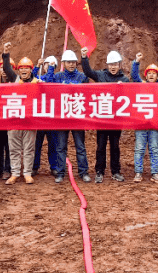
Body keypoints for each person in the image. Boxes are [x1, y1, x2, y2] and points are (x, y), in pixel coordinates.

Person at [81, 48, 129, 183]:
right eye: (111, 64)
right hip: (102, 118)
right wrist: (84, 57)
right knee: (100, 146)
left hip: (116, 120)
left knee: (115, 146)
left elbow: (129, 95)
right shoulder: (101, 75)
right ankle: (99, 172)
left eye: (115, 64)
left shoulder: (124, 79)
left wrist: (123, 87)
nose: (113, 67)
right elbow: (88, 72)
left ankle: (116, 171)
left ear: (119, 65)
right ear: (107, 65)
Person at [41, 49, 89, 184]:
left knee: (80, 146)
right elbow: (48, 84)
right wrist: (50, 68)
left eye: (74, 62)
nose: (72, 64)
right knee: (61, 147)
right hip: (61, 118)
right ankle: (60, 173)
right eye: (69, 62)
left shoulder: (82, 78)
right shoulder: (58, 77)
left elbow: (89, 94)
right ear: (63, 63)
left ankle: (83, 172)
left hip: (77, 118)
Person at [2, 43, 39, 185]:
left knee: (29, 149)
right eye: (21, 68)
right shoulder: (15, 79)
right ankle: (15, 173)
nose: (24, 70)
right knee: (14, 149)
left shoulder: (37, 82)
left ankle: (27, 173)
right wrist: (6, 53)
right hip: (14, 120)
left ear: (31, 70)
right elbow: (6, 68)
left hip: (29, 121)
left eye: (27, 68)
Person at [130, 55, 158, 184]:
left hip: (154, 124)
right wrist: (136, 62)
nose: (151, 75)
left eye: (154, 73)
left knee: (154, 148)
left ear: (157, 76)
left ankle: (154, 173)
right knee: (139, 148)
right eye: (149, 73)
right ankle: (138, 172)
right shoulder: (141, 85)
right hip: (141, 123)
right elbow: (134, 76)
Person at [31, 55, 60, 177]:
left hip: (51, 117)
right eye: (47, 64)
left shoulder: (55, 78)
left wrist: (51, 69)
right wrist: (37, 66)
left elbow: (49, 82)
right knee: (37, 144)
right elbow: (31, 78)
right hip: (39, 116)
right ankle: (34, 167)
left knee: (52, 144)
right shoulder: (39, 78)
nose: (48, 66)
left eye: (50, 65)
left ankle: (53, 167)